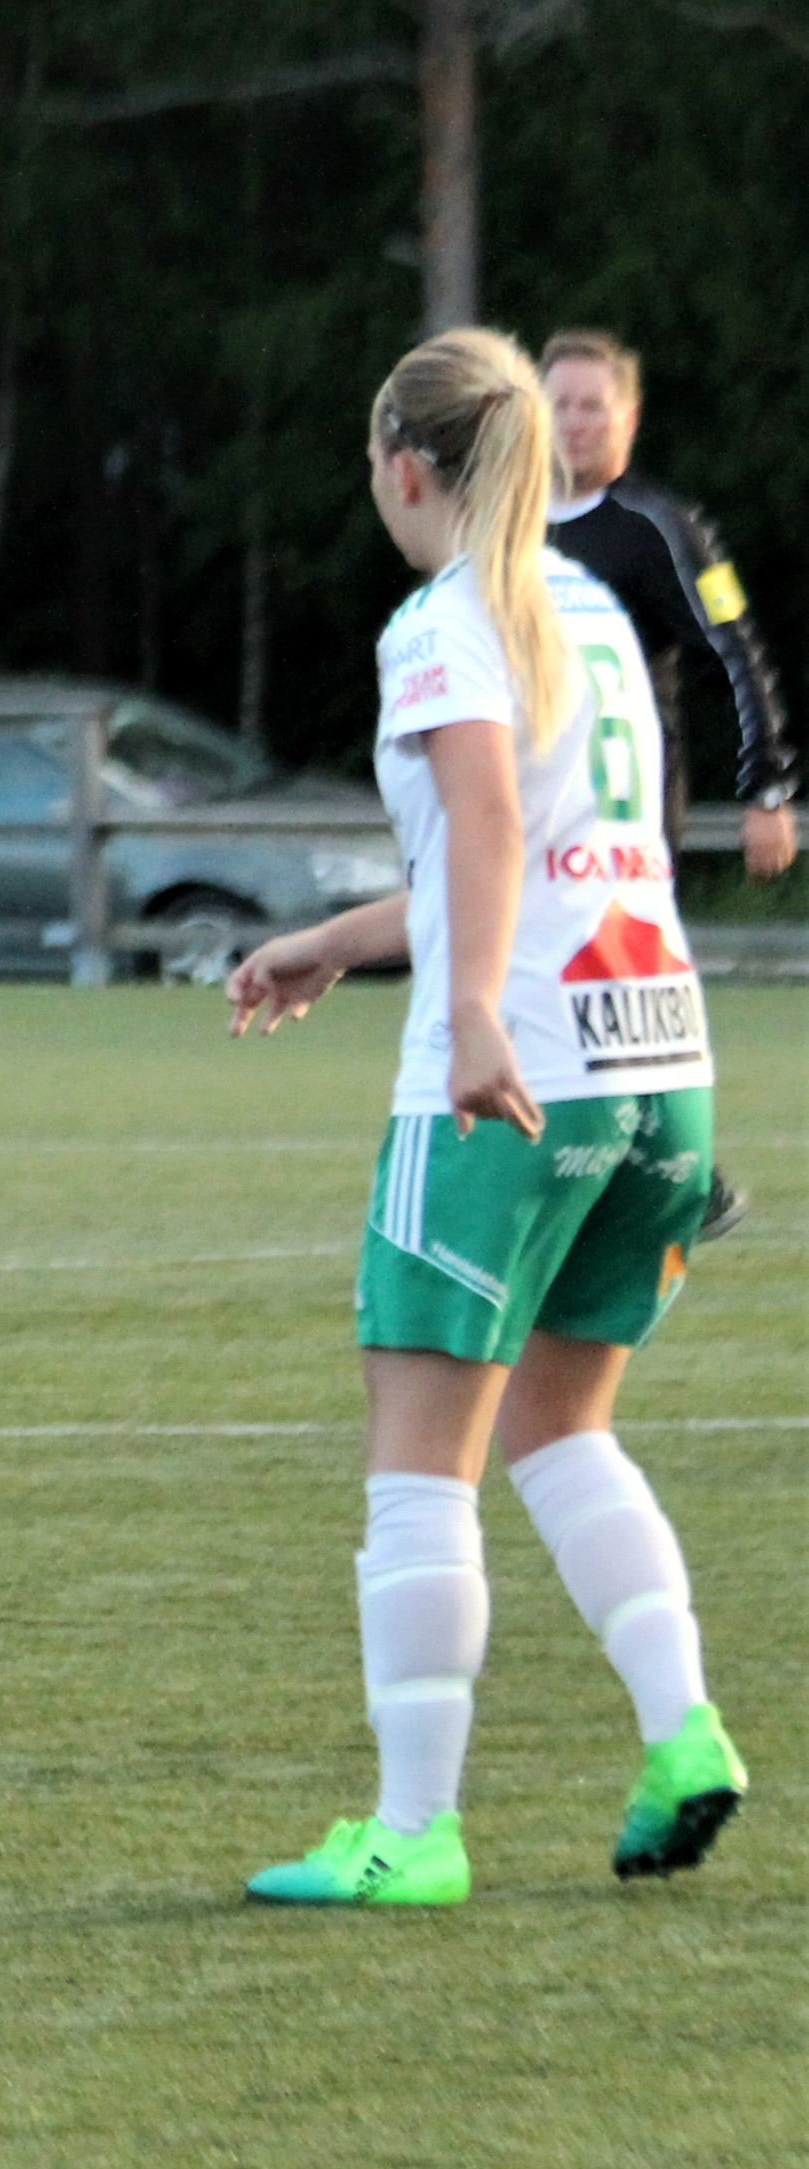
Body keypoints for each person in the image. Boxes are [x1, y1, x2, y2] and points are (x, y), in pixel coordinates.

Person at [227, 328, 743, 1909]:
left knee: (418, 1463)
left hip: (509, 1077)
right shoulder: (584, 611)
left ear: (404, 467)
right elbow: (541, 851)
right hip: (654, 1066)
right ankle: (682, 1733)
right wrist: (335, 940)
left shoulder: (445, 618)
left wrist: (461, 1016)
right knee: (560, 1426)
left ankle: (412, 1828)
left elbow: (488, 823)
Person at [541, 327, 795, 1245]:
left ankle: (685, 1182)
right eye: (559, 404)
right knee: (552, 992)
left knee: (617, 993)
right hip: (533, 803)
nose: (574, 423)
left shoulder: (657, 525)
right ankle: (640, 1179)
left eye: (592, 406)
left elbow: (736, 650)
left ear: (628, 417)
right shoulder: (510, 518)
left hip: (625, 808)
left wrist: (767, 789)